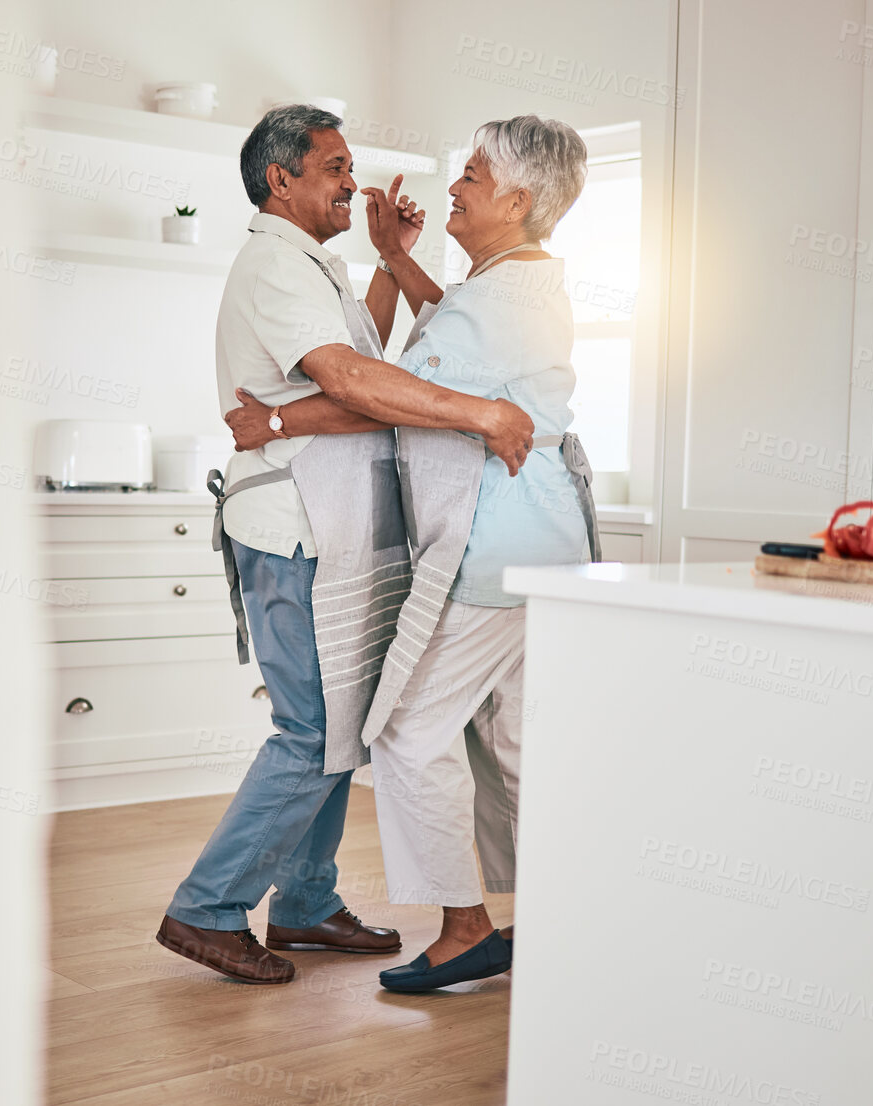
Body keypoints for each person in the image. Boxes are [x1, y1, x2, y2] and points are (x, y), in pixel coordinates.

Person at [155, 105, 537, 986]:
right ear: (279, 179)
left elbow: (358, 357)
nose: (351, 180)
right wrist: (477, 411)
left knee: (341, 730)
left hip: (334, 529)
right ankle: (204, 909)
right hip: (294, 530)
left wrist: (386, 263)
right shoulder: (274, 266)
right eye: (333, 166)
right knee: (311, 731)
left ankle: (303, 903)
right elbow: (359, 382)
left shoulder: (309, 264)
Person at [226, 115, 599, 992]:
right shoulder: (513, 281)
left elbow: (389, 390)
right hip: (534, 543)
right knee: (507, 743)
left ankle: (464, 928)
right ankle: (572, 909)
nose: (455, 186)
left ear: (515, 198)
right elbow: (448, 339)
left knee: (403, 729)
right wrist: (396, 259)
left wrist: (275, 420)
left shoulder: (501, 297)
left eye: (471, 173)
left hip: (491, 541)